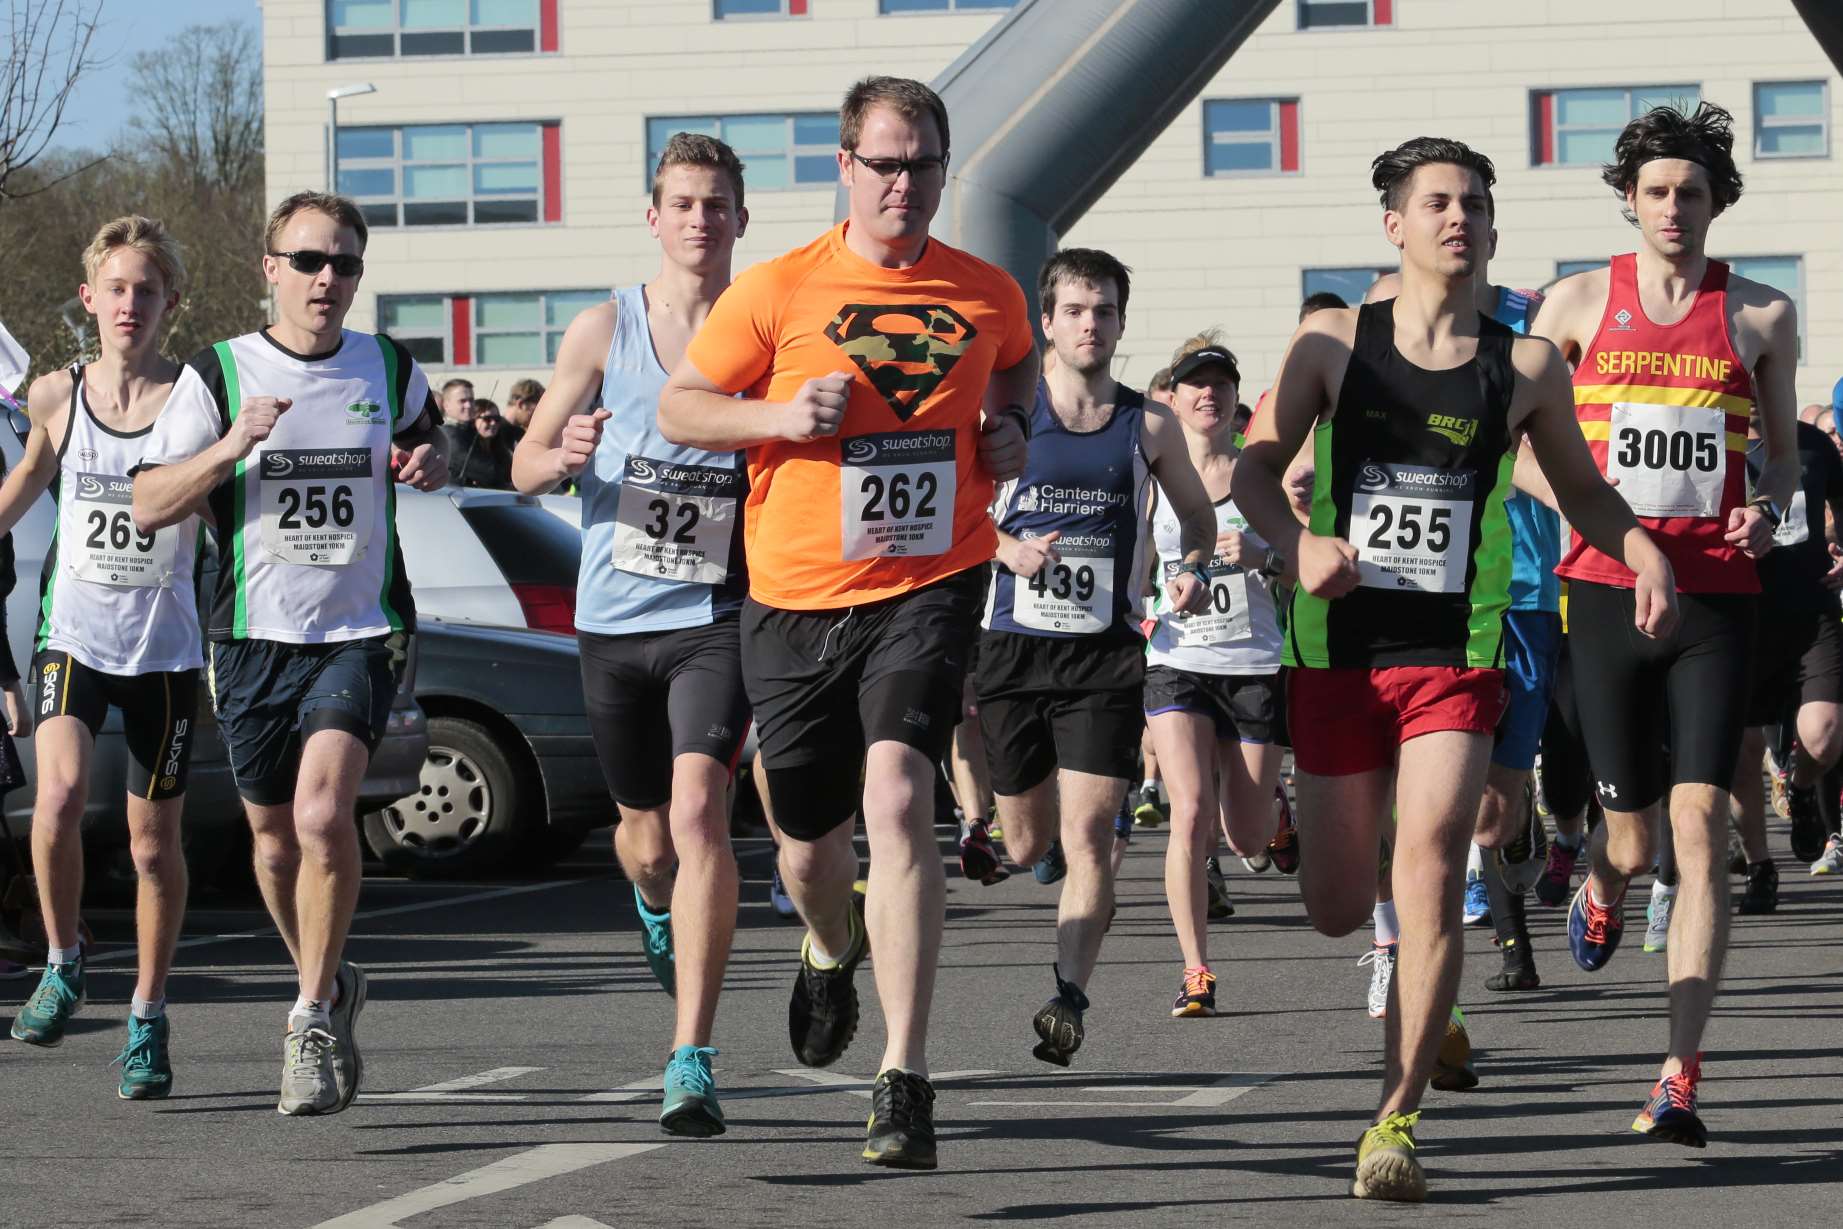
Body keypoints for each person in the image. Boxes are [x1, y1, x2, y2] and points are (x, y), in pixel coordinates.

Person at [1235, 136, 1676, 1202]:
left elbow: (1580, 489)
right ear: (1394, 224)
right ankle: (1402, 970)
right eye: (1435, 202)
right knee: (1339, 902)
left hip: (1454, 651)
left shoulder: (1523, 365)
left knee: (1430, 859)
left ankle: (1392, 1121)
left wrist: (1639, 545)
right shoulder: (1329, 347)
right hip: (1338, 647)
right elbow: (1253, 468)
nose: (1458, 219)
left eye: (1475, 203)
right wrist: (1296, 549)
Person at [656, 76, 1035, 1171]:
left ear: (942, 170)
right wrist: (776, 414)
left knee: (902, 793)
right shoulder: (776, 291)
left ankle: (903, 1075)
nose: (903, 183)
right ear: (845, 166)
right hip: (793, 597)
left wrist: (1007, 432)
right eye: (884, 163)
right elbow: (683, 403)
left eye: (922, 164)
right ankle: (830, 942)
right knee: (810, 843)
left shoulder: (987, 291)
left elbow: (1013, 374)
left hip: (932, 578)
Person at [131, 191, 450, 1116]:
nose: (327, 280)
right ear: (270, 268)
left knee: (320, 814)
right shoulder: (217, 373)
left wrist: (431, 458)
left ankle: (309, 1014)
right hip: (248, 637)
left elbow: (432, 442)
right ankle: (334, 978)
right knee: (273, 841)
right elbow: (151, 501)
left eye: (344, 264)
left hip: (359, 629)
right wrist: (232, 445)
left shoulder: (386, 365)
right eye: (309, 261)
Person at [1534, 102, 1799, 1147]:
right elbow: (1522, 446)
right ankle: (1600, 876)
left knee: (1698, 830)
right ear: (1630, 200)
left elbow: (1778, 460)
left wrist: (1767, 513)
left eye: (1691, 192)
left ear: (1715, 201)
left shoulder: (1761, 316)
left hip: (1714, 598)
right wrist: (1589, 515)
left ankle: (1678, 1074)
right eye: (1655, 191)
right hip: (1602, 589)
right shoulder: (1577, 302)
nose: (1673, 208)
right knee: (1637, 838)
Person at [511, 132, 753, 1138]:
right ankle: (656, 906)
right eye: (682, 203)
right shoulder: (602, 327)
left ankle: (689, 1055)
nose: (699, 219)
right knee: (647, 841)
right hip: (613, 620)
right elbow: (521, 466)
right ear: (654, 218)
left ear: (741, 219)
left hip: (717, 615)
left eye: (716, 204)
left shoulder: (765, 327)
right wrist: (557, 449)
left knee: (700, 815)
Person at [976, 247, 1213, 1059]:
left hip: (1103, 657)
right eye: (1075, 309)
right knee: (1023, 843)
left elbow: (1198, 517)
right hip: (1010, 646)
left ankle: (1068, 995)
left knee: (1089, 837)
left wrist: (1185, 568)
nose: (1090, 323)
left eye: (1104, 310)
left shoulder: (1145, 424)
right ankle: (1023, 846)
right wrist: (1002, 547)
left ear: (1119, 320)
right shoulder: (1007, 416)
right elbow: (952, 513)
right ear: (1046, 321)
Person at [2, 221, 204, 1098]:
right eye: (115, 289)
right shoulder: (56, 395)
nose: (130, 304)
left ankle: (148, 1018)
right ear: (89, 300)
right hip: (74, 633)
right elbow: (12, 502)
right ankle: (63, 958)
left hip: (162, 649)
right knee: (55, 797)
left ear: (169, 304)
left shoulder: (200, 398)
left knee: (152, 848)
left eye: (146, 290)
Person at [1366, 241, 1563, 993]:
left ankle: (1517, 829)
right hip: (1424, 594)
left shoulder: (1532, 324)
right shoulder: (1384, 318)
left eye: (1471, 214)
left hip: (1521, 590)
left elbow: (1559, 450)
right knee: (1425, 792)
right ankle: (1434, 964)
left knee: (1489, 811)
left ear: (1488, 242)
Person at [1138, 333, 1284, 1016]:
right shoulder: (1151, 476)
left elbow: (1299, 559)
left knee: (1245, 836)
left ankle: (1275, 814)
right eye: (1195, 383)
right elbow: (1127, 560)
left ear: (1233, 400)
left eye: (1220, 385)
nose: (1208, 394)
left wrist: (1262, 553)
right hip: (1176, 660)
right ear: (1173, 396)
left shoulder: (1261, 475)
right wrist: (1150, 599)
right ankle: (1195, 967)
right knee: (1188, 811)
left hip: (1252, 662)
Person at [1730, 411, 1843, 890]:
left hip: (1809, 610)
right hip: (1737, 617)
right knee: (1744, 748)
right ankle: (1760, 865)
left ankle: (1798, 788)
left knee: (1825, 734)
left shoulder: (1813, 444)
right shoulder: (1716, 442)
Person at [503, 377, 542, 447]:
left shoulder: (518, 433)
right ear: (521, 404)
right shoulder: (494, 433)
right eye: (536, 411)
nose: (539, 416)